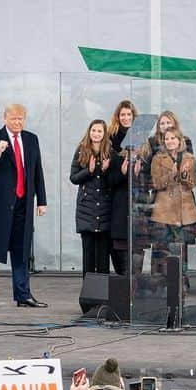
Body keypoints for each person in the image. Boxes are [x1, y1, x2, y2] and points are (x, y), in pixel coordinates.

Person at [0, 103, 48, 310]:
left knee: (21, 250)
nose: (18, 122)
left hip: (23, 203)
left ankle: (23, 295)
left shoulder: (31, 139)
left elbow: (37, 171)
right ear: (5, 118)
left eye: (21, 118)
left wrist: (41, 200)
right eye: (14, 118)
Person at [149, 128, 196, 281]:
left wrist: (184, 174)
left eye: (173, 138)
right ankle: (162, 280)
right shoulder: (158, 158)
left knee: (180, 247)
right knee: (162, 247)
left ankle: (181, 279)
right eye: (167, 138)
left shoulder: (189, 158)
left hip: (184, 209)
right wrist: (171, 174)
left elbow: (193, 183)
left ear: (179, 140)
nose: (170, 141)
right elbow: (156, 183)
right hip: (164, 210)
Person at [69, 119, 113, 277]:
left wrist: (107, 170)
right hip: (86, 209)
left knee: (102, 258)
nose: (96, 134)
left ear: (104, 134)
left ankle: (102, 296)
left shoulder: (109, 151)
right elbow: (73, 178)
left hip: (105, 209)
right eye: (93, 130)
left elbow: (113, 181)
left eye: (99, 131)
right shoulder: (81, 150)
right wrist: (89, 170)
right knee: (88, 256)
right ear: (89, 132)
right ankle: (88, 298)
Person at [107, 100, 138, 276]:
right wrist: (124, 171)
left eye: (129, 114)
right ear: (118, 117)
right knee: (119, 243)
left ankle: (133, 282)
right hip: (118, 197)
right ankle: (123, 278)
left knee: (136, 246)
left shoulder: (143, 140)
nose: (126, 118)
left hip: (136, 197)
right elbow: (109, 176)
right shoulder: (111, 139)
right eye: (122, 114)